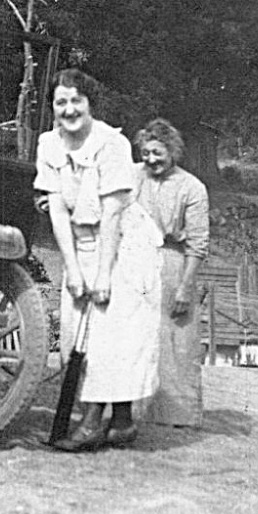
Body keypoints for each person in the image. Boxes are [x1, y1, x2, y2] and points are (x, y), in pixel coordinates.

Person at [34, 69, 163, 451]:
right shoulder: (48, 144)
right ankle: (121, 422)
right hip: (80, 240)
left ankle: (91, 424)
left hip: (125, 244)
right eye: (61, 102)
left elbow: (112, 215)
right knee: (77, 328)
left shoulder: (111, 144)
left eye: (77, 100)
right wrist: (73, 270)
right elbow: (58, 211)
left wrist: (103, 276)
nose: (69, 109)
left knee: (109, 335)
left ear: (90, 104)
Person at [133, 118, 210, 427]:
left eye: (158, 153)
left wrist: (185, 287)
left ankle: (177, 414)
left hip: (172, 264)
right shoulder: (131, 176)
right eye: (146, 153)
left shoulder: (192, 187)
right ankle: (130, 410)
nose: (151, 160)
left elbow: (198, 244)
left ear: (172, 152)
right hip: (134, 261)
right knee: (135, 336)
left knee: (176, 341)